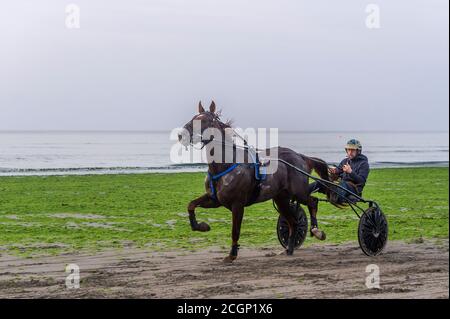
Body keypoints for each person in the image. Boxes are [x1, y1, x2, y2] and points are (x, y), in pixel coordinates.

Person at [308, 139, 370, 203]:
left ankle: (343, 197)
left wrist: (350, 172)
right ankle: (303, 192)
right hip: (341, 186)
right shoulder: (345, 161)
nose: (350, 152)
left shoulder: (364, 164)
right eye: (348, 150)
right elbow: (338, 170)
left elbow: (361, 181)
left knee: (340, 185)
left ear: (358, 151)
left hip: (354, 189)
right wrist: (334, 171)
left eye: (352, 150)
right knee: (320, 182)